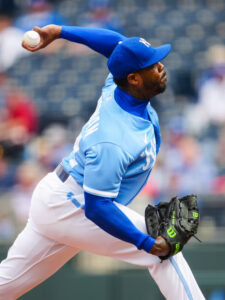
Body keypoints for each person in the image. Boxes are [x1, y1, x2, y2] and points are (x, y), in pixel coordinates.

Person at [0, 24, 205, 300]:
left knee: (6, 285)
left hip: (59, 196)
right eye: (153, 65)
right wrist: (144, 243)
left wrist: (60, 31)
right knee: (164, 250)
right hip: (74, 204)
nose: (161, 66)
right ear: (134, 78)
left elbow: (117, 45)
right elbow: (97, 208)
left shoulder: (117, 82)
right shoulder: (113, 139)